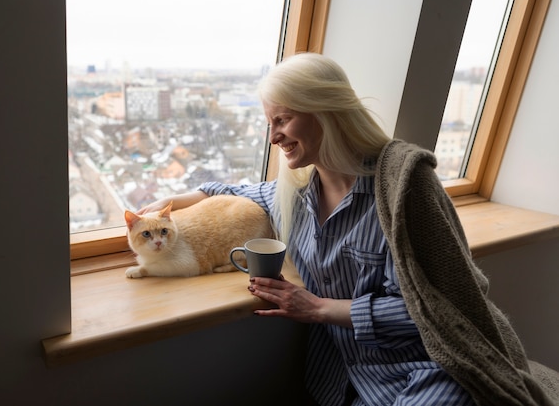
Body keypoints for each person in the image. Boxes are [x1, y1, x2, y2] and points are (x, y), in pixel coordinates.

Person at [138, 53, 558, 406]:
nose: (273, 137)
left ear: (324, 112)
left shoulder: (402, 190)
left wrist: (318, 309)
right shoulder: (293, 194)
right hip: (344, 379)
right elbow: (234, 190)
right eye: (269, 124)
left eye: (282, 120)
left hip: (432, 368)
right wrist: (172, 204)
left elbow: (437, 309)